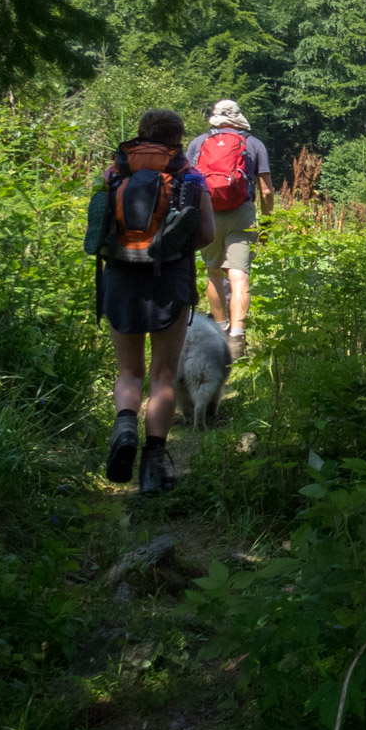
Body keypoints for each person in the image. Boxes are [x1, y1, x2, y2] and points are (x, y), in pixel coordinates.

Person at [97, 109, 216, 494]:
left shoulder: (116, 172)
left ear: (141, 134)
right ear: (178, 139)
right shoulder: (191, 177)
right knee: (164, 375)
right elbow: (207, 234)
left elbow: (101, 227)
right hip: (170, 280)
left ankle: (125, 429)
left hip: (120, 278)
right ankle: (152, 472)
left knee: (129, 372)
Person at [185, 99, 274, 355]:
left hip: (208, 211)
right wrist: (267, 222)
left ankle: (221, 331)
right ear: (238, 117)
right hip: (241, 213)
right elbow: (266, 190)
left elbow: (188, 182)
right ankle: (237, 338)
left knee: (213, 272)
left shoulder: (199, 143)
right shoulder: (253, 143)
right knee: (239, 275)